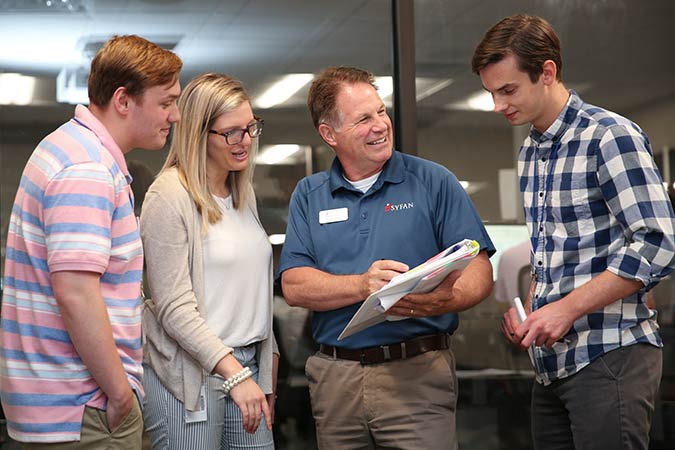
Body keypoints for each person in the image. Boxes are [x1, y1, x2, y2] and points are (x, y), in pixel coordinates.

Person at [472, 14, 675, 450]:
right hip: (551, 365)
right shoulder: (531, 151)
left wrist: (565, 309)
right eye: (491, 93)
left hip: (610, 355)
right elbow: (555, 253)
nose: (498, 105)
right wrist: (531, 312)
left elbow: (658, 244)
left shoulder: (610, 137)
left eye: (508, 90)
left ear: (547, 72)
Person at [278, 66, 495, 450]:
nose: (380, 125)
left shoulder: (433, 181)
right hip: (335, 380)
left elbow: (478, 266)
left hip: (417, 374)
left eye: (381, 111)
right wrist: (364, 284)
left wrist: (446, 299)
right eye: (363, 118)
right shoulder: (309, 194)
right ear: (329, 134)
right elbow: (294, 285)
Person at [0, 35, 182, 448]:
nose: (175, 115)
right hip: (83, 405)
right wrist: (119, 393)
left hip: (65, 401)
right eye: (166, 102)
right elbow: (77, 295)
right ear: (123, 100)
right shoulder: (87, 168)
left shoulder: (70, 148)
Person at [140, 72, 278, 450]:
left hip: (246, 365)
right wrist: (235, 374)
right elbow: (173, 307)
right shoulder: (169, 196)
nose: (245, 141)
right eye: (231, 132)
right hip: (189, 373)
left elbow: (254, 296)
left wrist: (263, 377)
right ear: (199, 134)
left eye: (250, 127)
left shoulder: (241, 193)